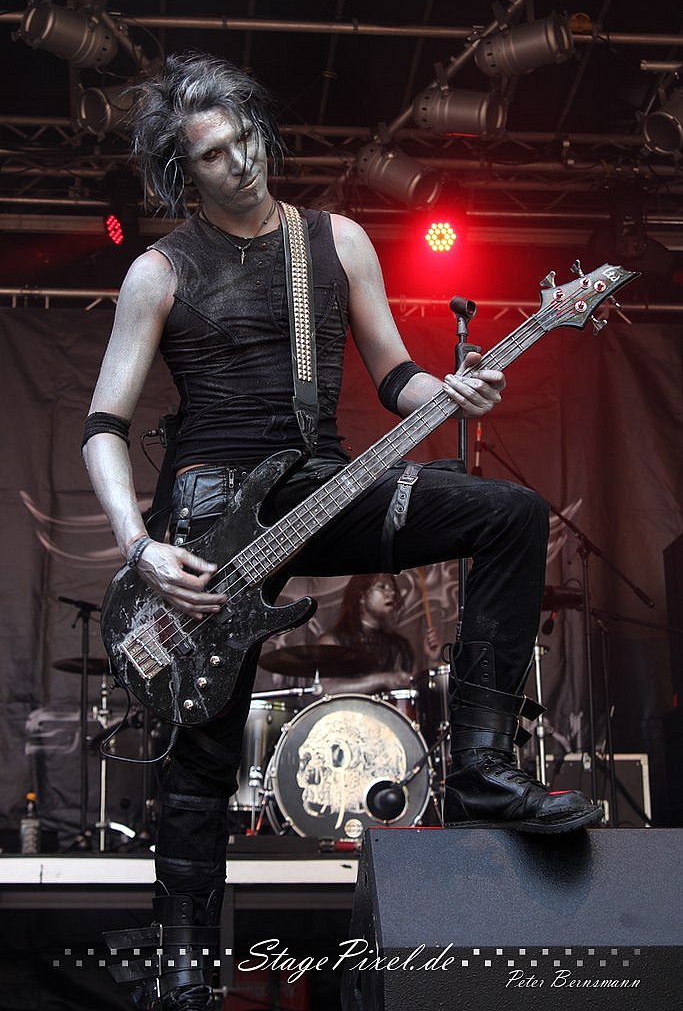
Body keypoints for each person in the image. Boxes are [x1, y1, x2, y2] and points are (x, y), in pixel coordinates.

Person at [82, 52, 601, 1011]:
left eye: (246, 138)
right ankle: (184, 962)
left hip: (326, 487)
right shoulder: (158, 272)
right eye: (214, 154)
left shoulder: (335, 241)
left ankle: (482, 771)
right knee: (203, 749)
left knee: (511, 516)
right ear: (181, 172)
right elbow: (103, 426)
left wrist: (449, 391)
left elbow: (395, 377)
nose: (242, 161)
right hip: (211, 521)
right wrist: (139, 546)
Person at [316, 572, 441, 696]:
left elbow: (414, 692)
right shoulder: (333, 641)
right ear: (361, 596)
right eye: (382, 587)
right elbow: (325, 688)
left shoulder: (400, 645)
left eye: (392, 588)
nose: (391, 593)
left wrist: (433, 660)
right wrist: (382, 679)